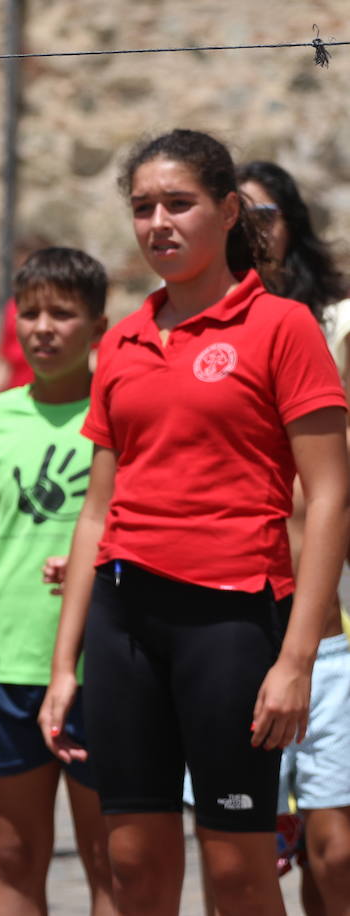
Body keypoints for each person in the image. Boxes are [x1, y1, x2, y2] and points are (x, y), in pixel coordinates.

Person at [39, 129, 349, 915]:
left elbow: (330, 498)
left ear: (228, 210)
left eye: (179, 203)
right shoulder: (123, 341)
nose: (158, 223)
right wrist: (64, 664)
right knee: (133, 864)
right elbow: (96, 513)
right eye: (143, 207)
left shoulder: (282, 327)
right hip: (123, 620)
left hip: (234, 621)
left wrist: (297, 661)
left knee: (240, 870)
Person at [0, 247, 115, 915]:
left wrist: (98, 564)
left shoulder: (121, 413)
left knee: (109, 861)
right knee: (15, 857)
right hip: (5, 659)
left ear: (98, 328)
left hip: (101, 668)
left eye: (62, 314)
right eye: (30, 313)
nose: (42, 327)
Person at [237, 160, 350, 915]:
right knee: (242, 836)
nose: (253, 227)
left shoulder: (340, 322)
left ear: (292, 223)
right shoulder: (192, 328)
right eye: (238, 212)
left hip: (330, 601)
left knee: (333, 839)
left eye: (265, 212)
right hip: (239, 598)